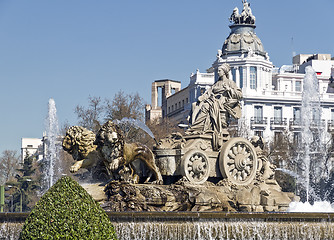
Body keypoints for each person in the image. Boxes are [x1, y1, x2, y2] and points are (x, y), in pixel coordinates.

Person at [188, 63, 242, 134]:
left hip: (221, 102)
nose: (218, 72)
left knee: (206, 106)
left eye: (220, 71)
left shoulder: (230, 83)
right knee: (195, 105)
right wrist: (202, 97)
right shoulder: (216, 83)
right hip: (213, 100)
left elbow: (240, 94)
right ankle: (195, 126)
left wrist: (229, 89)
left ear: (224, 72)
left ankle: (197, 127)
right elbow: (209, 92)